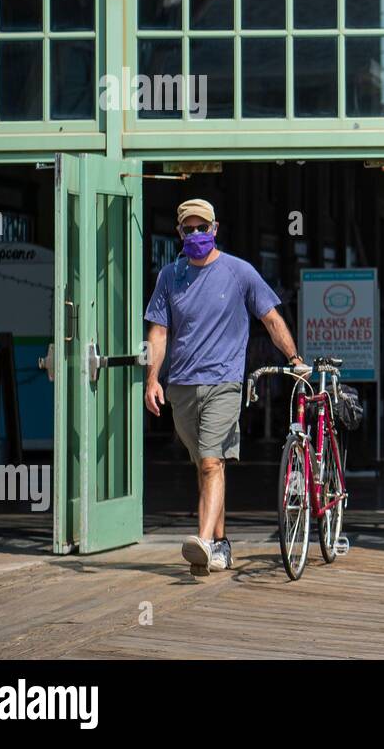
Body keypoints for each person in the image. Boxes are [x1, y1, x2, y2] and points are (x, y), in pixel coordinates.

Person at [144, 199, 305, 576]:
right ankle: (220, 545)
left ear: (215, 229)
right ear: (179, 232)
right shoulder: (170, 276)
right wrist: (152, 378)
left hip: (223, 383)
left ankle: (201, 541)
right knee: (205, 464)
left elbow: (270, 317)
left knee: (212, 461)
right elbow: (159, 330)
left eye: (204, 228)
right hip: (181, 385)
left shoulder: (239, 272)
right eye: (189, 229)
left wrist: (294, 358)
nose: (197, 234)